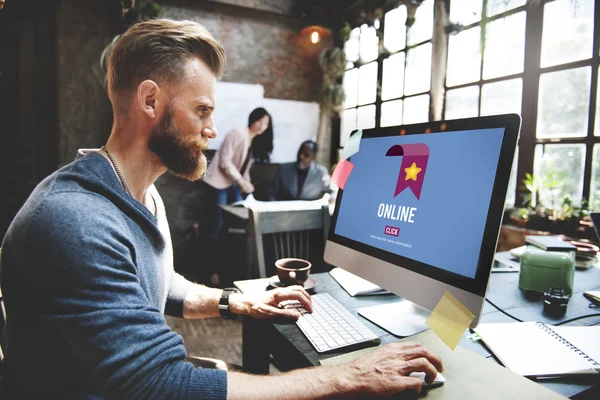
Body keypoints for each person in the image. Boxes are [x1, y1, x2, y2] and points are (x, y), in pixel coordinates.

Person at [0, 18, 443, 399]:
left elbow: (159, 284)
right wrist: (350, 376)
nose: (212, 129)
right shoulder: (76, 221)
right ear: (150, 101)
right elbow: (165, 385)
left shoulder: (140, 194)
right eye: (203, 110)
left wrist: (238, 303)